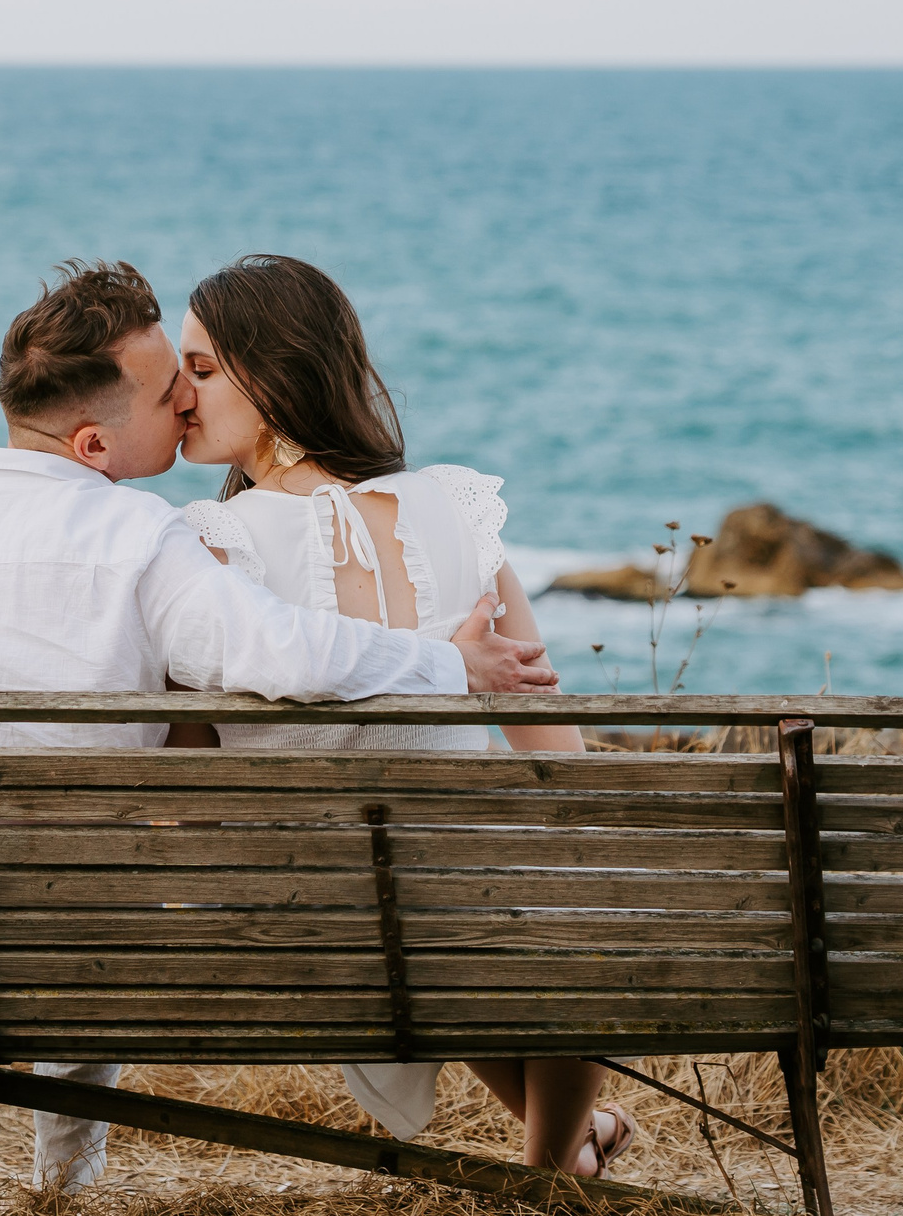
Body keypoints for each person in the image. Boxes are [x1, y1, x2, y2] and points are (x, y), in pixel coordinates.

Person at [0, 260, 563, 1189]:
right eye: (167, 388)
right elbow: (288, 651)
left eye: (196, 377)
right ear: (93, 444)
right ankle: (66, 1181)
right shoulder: (138, 542)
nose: (185, 402)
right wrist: (449, 665)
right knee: (82, 868)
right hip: (73, 953)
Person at [166, 253, 636, 1179]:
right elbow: (556, 750)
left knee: (422, 902)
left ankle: (551, 1174)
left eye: (204, 369)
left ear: (273, 373)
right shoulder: (459, 512)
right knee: (491, 891)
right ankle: (553, 1167)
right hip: (471, 912)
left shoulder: (206, 544)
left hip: (323, 927)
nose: (181, 395)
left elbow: (188, 775)